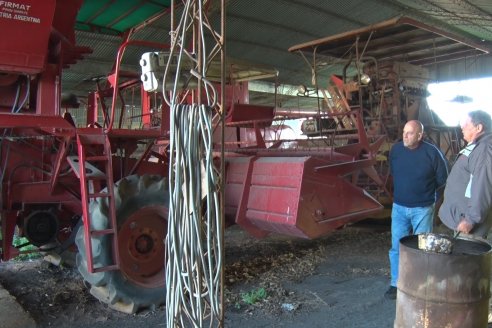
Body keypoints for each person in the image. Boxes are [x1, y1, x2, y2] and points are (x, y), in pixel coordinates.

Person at [385, 120, 448, 300]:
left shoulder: (432, 153)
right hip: (399, 207)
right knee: (397, 247)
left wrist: (428, 196)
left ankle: (421, 286)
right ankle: (395, 284)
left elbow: (442, 178)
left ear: (420, 135)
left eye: (410, 133)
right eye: (404, 132)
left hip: (422, 208)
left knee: (423, 249)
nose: (405, 135)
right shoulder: (396, 150)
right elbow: (394, 172)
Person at [439, 110, 492, 238]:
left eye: (466, 124)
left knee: (468, 256)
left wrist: (471, 219)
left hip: (471, 224)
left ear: (479, 127)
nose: (461, 127)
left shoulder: (484, 149)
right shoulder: (478, 146)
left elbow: (482, 184)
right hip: (465, 216)